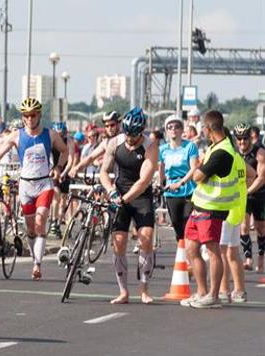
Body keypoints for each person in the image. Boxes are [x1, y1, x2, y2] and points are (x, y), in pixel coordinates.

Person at [0, 98, 68, 280]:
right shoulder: (16, 135)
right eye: (26, 115)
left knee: (40, 222)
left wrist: (58, 168)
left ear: (39, 115)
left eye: (33, 115)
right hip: (26, 185)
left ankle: (37, 265)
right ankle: (34, 257)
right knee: (30, 229)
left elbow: (65, 151)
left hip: (44, 183)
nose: (29, 119)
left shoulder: (50, 134)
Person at [180, 110, 246, 309]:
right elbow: (200, 172)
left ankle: (214, 295)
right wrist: (201, 169)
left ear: (208, 129)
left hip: (213, 208)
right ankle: (201, 292)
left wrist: (201, 169)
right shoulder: (214, 147)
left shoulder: (222, 152)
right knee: (191, 249)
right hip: (199, 206)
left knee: (213, 250)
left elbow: (197, 176)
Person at [100, 107, 158, 305]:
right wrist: (111, 191)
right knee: (119, 242)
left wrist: (125, 199)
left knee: (146, 238)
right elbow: (103, 172)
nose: (129, 138)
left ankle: (144, 289)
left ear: (141, 131)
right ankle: (123, 291)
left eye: (133, 135)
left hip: (140, 196)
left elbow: (144, 181)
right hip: (119, 193)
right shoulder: (115, 143)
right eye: (127, 133)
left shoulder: (150, 146)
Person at [159, 115, 198, 254]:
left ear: (182, 129)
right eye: (170, 127)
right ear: (166, 131)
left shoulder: (190, 146)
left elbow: (194, 168)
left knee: (187, 222)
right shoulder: (162, 149)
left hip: (188, 189)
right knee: (176, 224)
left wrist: (181, 182)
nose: (173, 129)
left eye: (177, 126)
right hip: (171, 191)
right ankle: (182, 254)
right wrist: (160, 185)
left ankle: (190, 255)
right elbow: (161, 168)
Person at [233, 123, 265, 273]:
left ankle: (261, 258)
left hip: (259, 194)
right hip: (243, 195)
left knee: (260, 229)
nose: (242, 142)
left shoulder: (260, 153)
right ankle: (248, 259)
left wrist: (247, 191)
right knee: (244, 227)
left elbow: (261, 178)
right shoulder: (234, 154)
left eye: (245, 138)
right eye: (239, 139)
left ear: (250, 138)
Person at [68, 111, 121, 178]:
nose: (109, 128)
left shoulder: (125, 139)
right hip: (111, 179)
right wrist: (76, 168)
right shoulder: (106, 142)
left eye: (112, 125)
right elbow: (91, 157)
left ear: (119, 124)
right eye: (107, 126)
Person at [50, 121, 76, 237]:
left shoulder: (69, 141)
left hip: (65, 172)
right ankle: (53, 223)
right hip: (54, 171)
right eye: (58, 134)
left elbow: (70, 160)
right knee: (56, 195)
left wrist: (65, 172)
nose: (60, 137)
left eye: (62, 134)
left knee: (63, 201)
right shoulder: (52, 141)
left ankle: (60, 222)